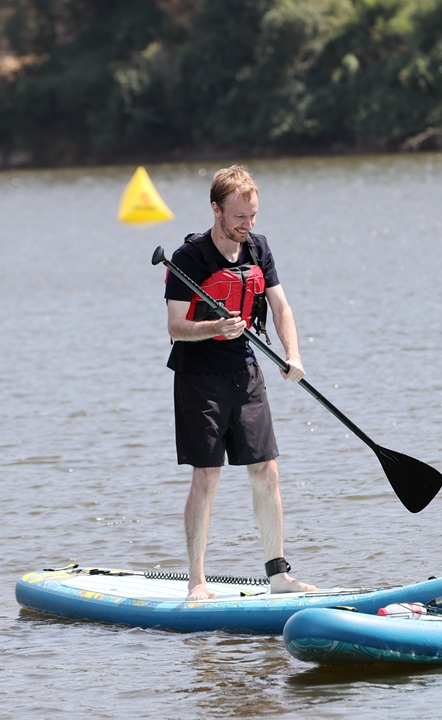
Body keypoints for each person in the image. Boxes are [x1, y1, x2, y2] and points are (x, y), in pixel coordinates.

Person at [163, 165, 316, 601]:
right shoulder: (187, 259)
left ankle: (279, 574)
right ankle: (196, 581)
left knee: (266, 471)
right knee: (207, 476)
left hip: (246, 371)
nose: (247, 226)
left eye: (252, 216)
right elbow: (175, 326)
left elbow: (281, 306)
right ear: (216, 210)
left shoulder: (259, 248)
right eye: (238, 217)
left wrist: (293, 354)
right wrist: (213, 327)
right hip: (198, 378)